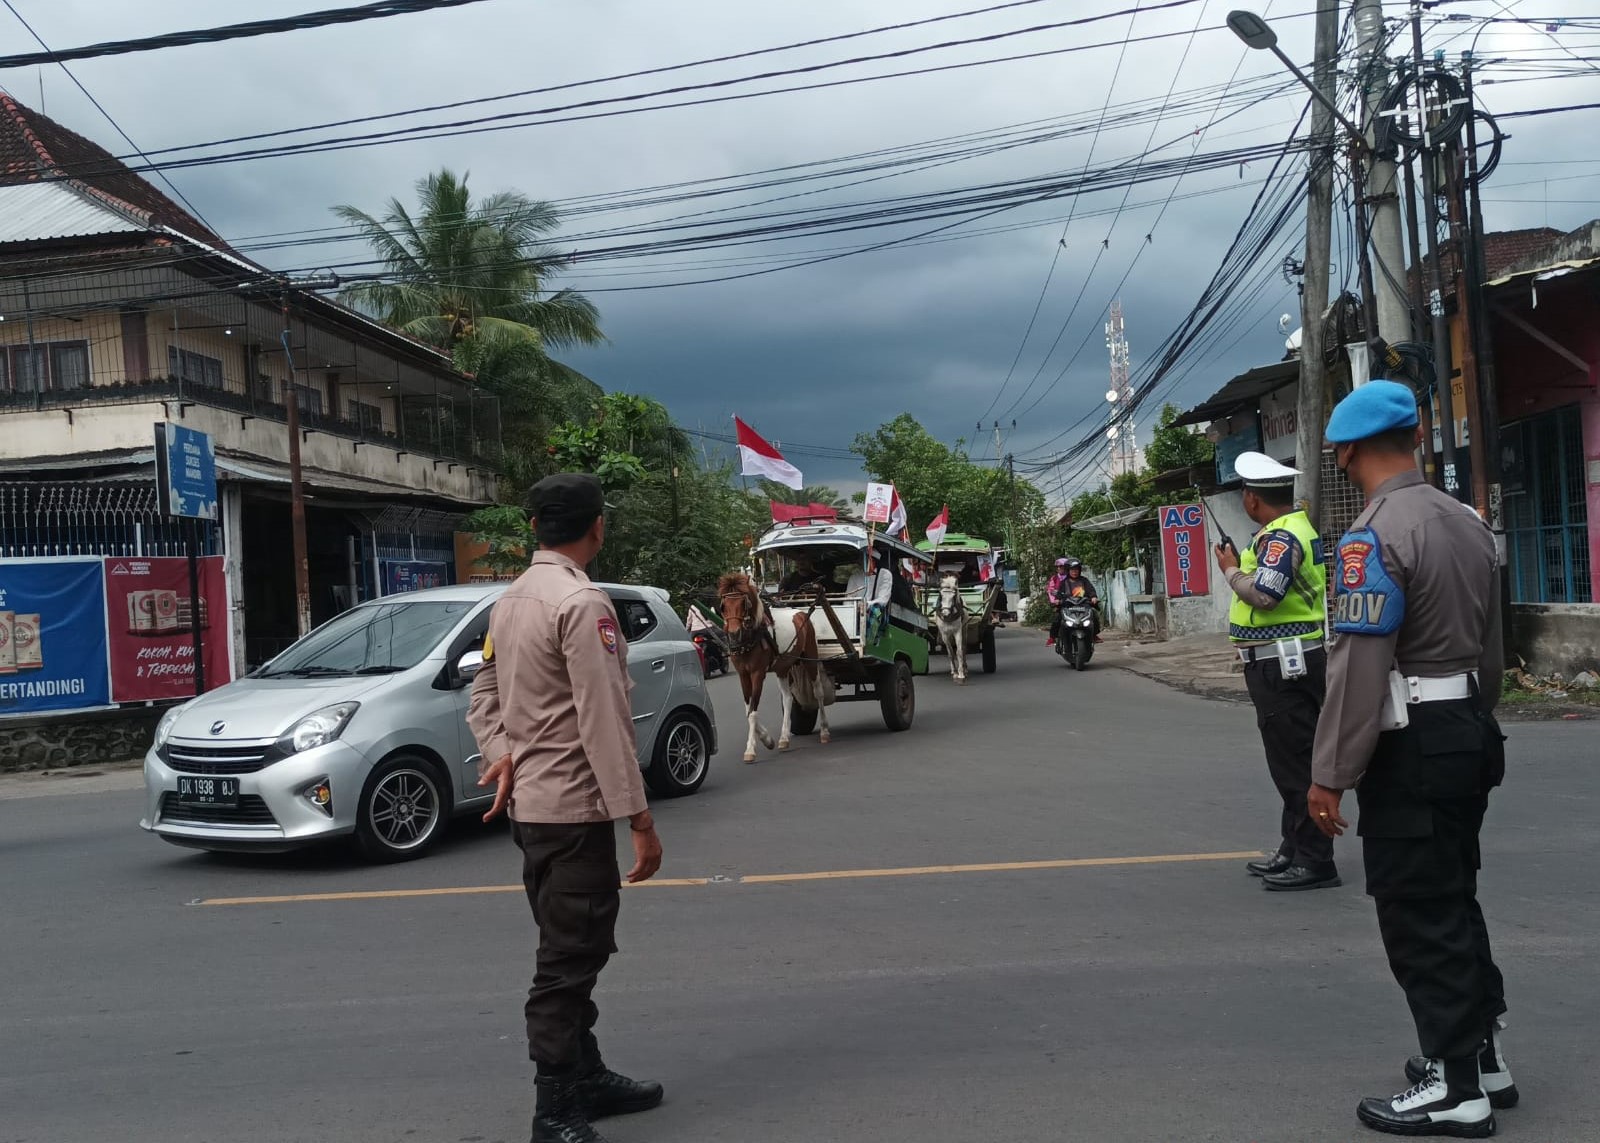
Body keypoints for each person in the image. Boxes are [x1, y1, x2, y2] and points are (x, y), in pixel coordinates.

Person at [1304, 382, 1513, 1137]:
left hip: (1412, 740)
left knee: (1419, 913)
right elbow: (1491, 656)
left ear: (1347, 451)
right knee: (1454, 895)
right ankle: (1484, 1058)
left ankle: (1457, 1089)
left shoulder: (1373, 536)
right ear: (1418, 435)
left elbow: (1359, 668)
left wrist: (1331, 772)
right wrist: (1468, 719)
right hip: (1466, 729)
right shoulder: (1467, 522)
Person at [466, 472, 666, 1143]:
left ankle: (587, 1075)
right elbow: (605, 719)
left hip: (533, 809)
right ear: (597, 527)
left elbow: (482, 689)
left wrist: (501, 750)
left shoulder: (512, 599)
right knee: (568, 958)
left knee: (575, 942)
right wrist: (638, 817)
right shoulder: (582, 604)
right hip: (573, 810)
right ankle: (554, 1109)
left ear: (534, 529)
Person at [1214, 451, 1338, 893]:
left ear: (1251, 500)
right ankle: (1294, 846)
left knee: (1294, 765)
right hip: (1288, 659)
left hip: (1283, 664)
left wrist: (1230, 570)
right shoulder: (1290, 530)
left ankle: (1314, 859)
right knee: (1288, 760)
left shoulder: (1282, 538)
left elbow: (1266, 594)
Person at [1047, 558, 1101, 645]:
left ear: (1079, 570)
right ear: (1068, 571)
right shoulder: (1064, 582)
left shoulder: (1084, 581)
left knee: (1094, 614)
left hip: (1083, 605)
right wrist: (1057, 600)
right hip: (1068, 606)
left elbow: (1091, 590)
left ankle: (1094, 635)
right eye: (1072, 570)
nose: (1074, 572)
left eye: (1076, 570)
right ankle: (1052, 638)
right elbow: (1059, 594)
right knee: (1057, 617)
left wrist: (1093, 597)